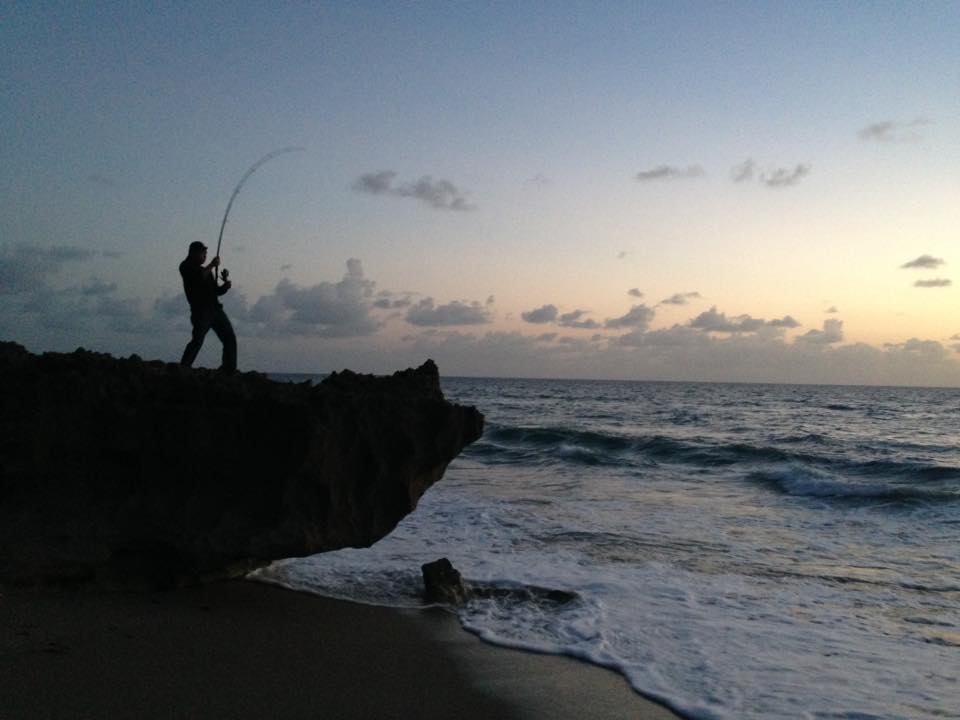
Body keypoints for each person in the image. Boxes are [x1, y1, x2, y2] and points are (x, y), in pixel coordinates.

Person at [179, 241, 237, 372]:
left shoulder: (206, 271)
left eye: (206, 254)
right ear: (193, 253)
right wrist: (212, 265)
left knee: (229, 337)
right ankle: (184, 367)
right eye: (203, 254)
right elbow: (198, 278)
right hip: (201, 311)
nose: (205, 257)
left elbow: (215, 291)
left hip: (215, 309)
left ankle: (229, 368)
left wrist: (225, 287)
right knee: (197, 341)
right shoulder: (185, 267)